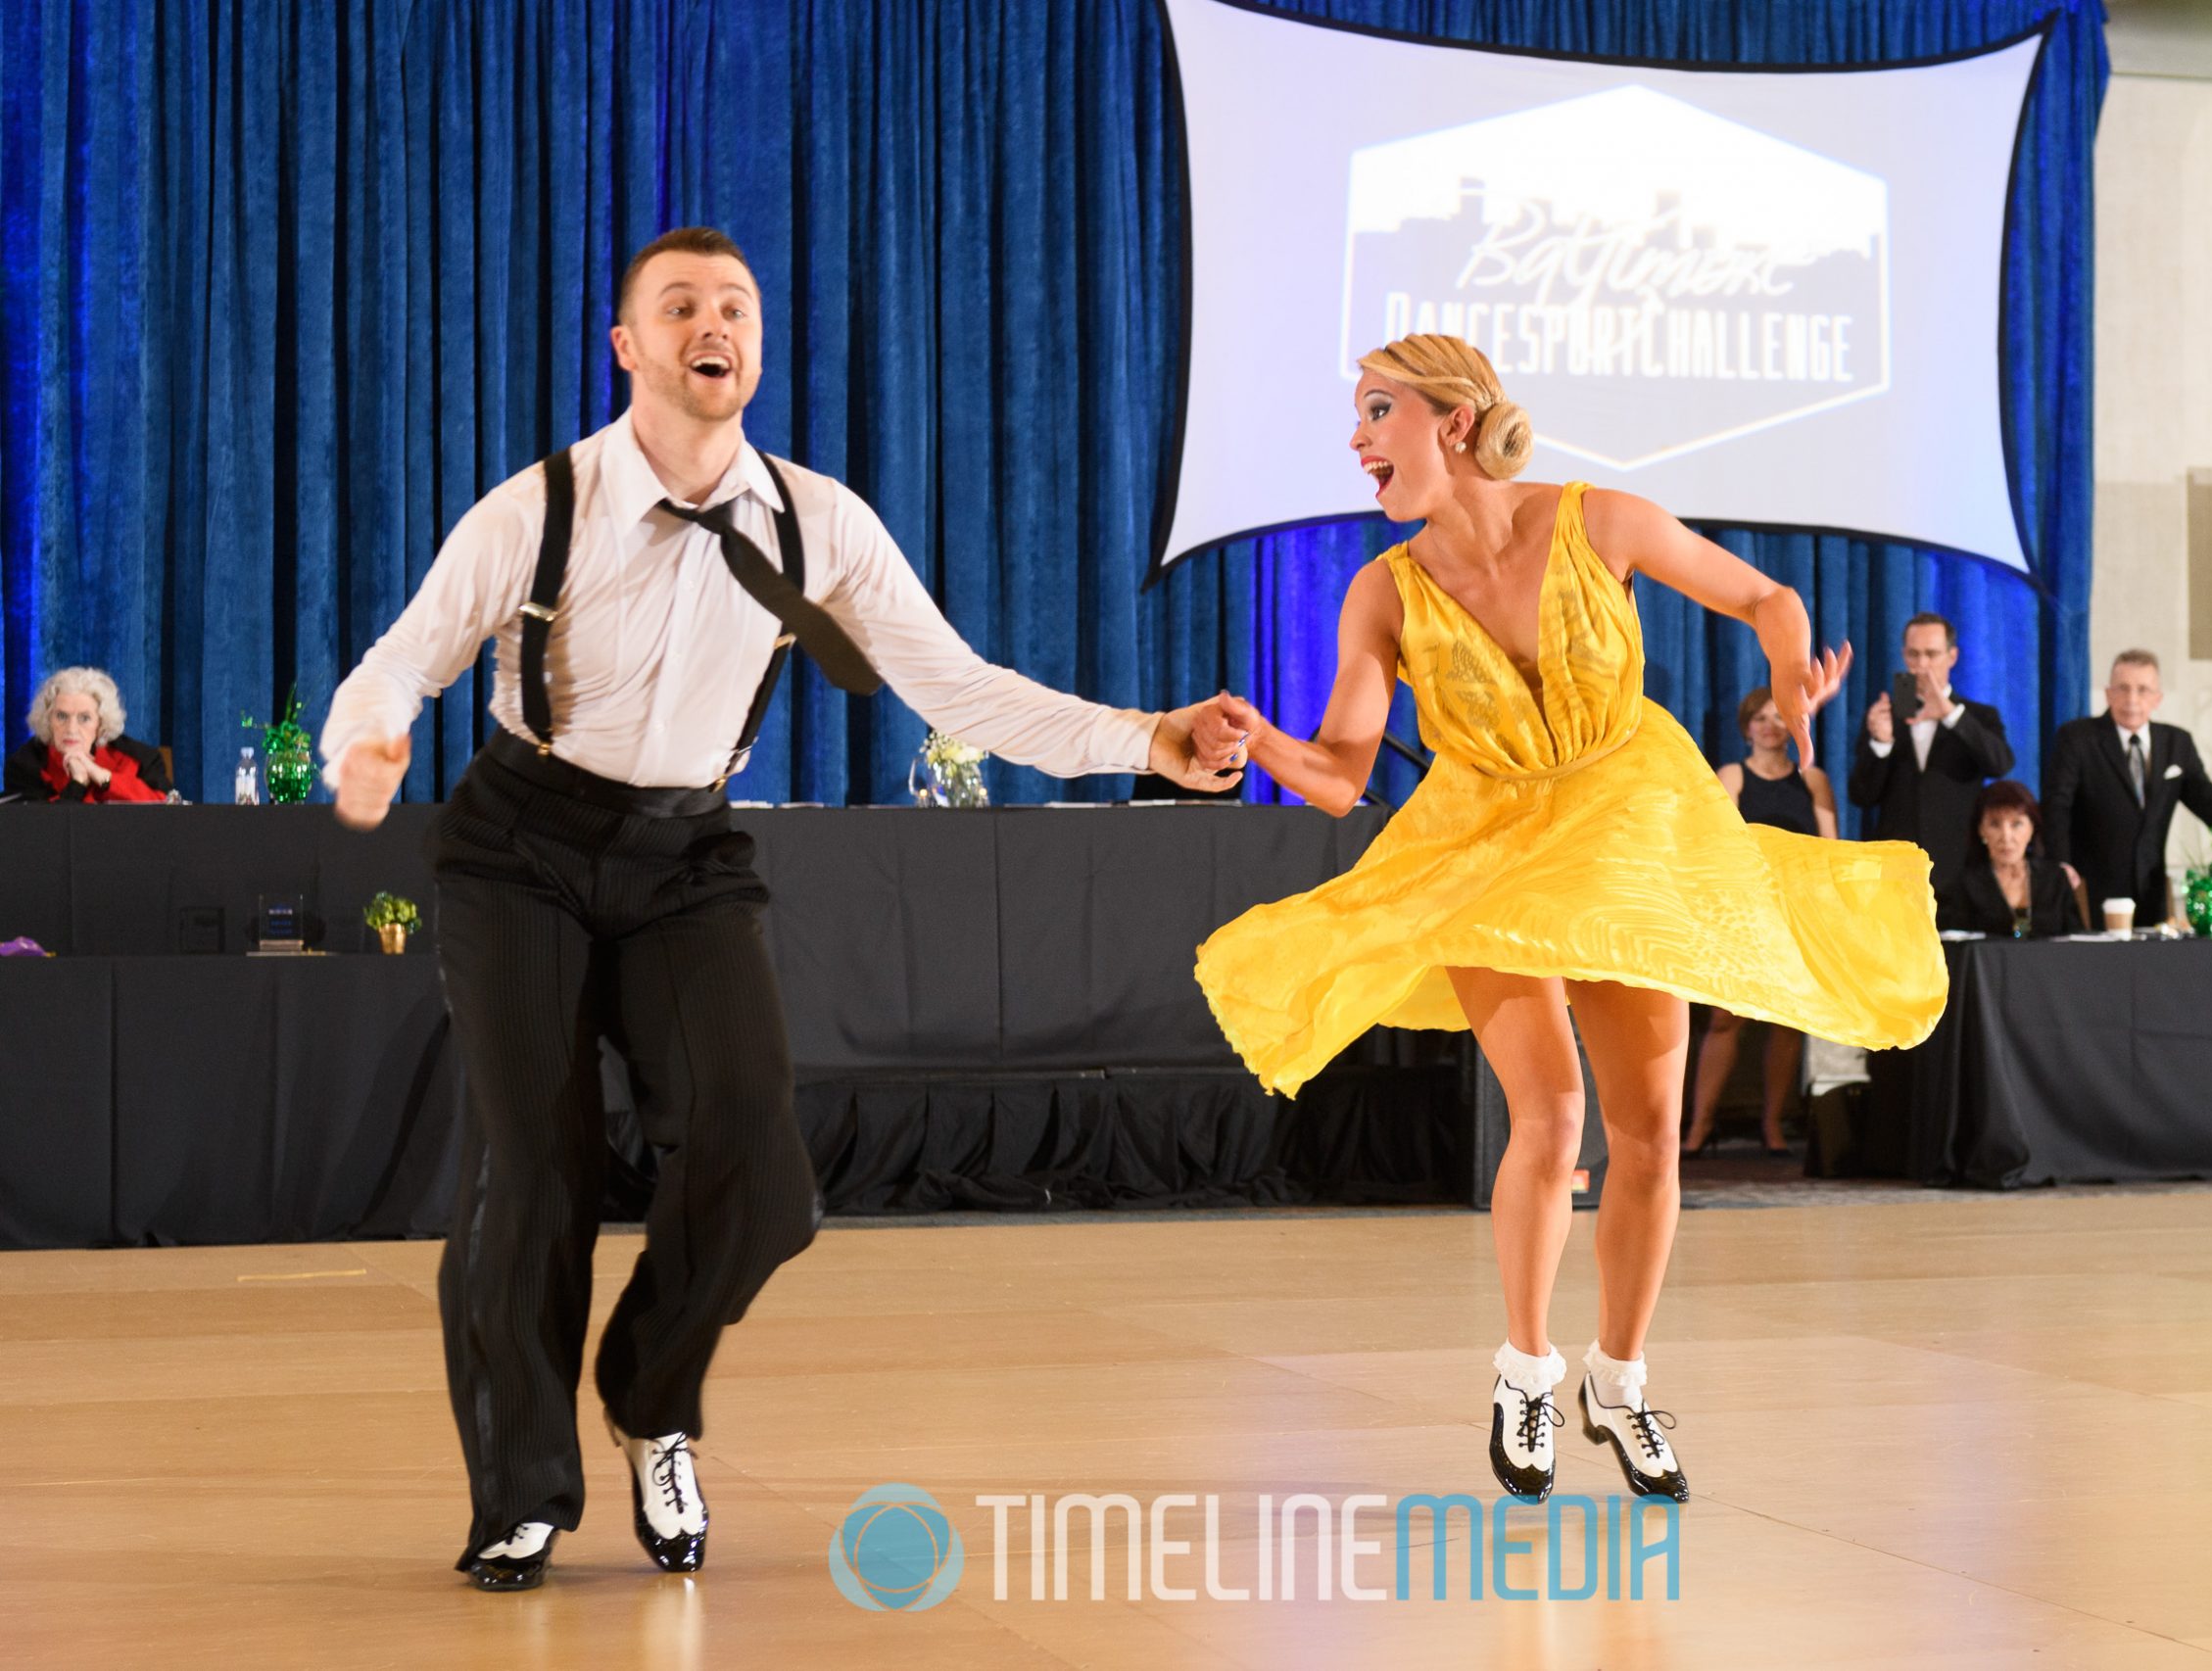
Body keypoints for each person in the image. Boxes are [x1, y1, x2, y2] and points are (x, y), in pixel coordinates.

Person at [321, 227, 1239, 1592]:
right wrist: (371, 737)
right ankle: (521, 1489)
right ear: (628, 344)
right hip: (522, 846)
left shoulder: (818, 521)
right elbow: (405, 654)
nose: (715, 323)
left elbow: (960, 685)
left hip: (688, 853)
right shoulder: (542, 507)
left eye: (735, 306)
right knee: (536, 1170)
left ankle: (650, 1393)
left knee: (763, 1171)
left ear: (756, 343)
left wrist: (1145, 736)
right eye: (680, 304)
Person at [1191, 334, 1945, 1507]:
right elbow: (1341, 771)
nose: (1355, 439)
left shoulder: (1601, 521)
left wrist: (1793, 667)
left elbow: (1764, 596)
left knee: (1647, 1133)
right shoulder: (1383, 590)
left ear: (1451, 420)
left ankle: (1621, 1376)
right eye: (1356, 416)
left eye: (1376, 412)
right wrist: (1261, 742)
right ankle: (1525, 1366)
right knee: (1548, 1113)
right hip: (1487, 847)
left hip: (1628, 829)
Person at [1685, 686, 1839, 1156]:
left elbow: (1829, 851)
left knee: (1788, 1023)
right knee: (1724, 1019)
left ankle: (1773, 1126)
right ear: (1746, 727)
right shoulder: (1731, 774)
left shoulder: (1813, 779)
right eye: (1762, 718)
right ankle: (1698, 1127)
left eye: (1780, 718)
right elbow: (1719, 840)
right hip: (1742, 909)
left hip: (1795, 911)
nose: (1772, 726)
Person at [2042, 650, 2212, 927]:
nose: (2132, 699)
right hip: (2090, 887)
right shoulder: (2078, 738)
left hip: (2151, 890)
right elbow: (2057, 804)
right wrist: (2061, 864)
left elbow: (2210, 804)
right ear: (2108, 694)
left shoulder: (2176, 743)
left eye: (2143, 690)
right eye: (2123, 688)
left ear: (2157, 699)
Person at [1845, 613, 2014, 881]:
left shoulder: (1979, 717)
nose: (1921, 665)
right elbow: (1861, 795)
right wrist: (1881, 743)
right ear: (1903, 655)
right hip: (1894, 871)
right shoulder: (1886, 715)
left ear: (1952, 656)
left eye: (1932, 654)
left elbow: (2001, 764)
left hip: (1960, 870)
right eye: (1914, 654)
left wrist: (1950, 714)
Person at [1936, 780, 2086, 939]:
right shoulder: (1963, 885)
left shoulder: (2056, 879)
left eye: (2016, 824)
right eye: (1995, 824)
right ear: (1980, 830)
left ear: (2032, 828)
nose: (2006, 837)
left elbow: (2077, 943)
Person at [4, 667, 171, 804]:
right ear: (48, 720)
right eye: (61, 716)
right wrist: (78, 782)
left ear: (101, 724)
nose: (71, 728)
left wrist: (104, 778)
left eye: (84, 718)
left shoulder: (140, 758)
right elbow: (38, 831)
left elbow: (167, 807)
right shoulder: (24, 765)